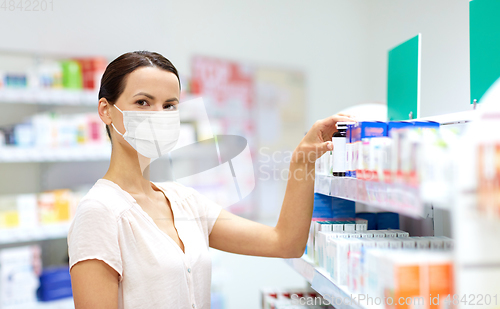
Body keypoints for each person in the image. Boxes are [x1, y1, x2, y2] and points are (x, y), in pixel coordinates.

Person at [68, 51, 354, 309]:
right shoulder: (99, 213)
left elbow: (285, 243)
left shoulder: (184, 202)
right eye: (143, 102)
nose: (159, 115)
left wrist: (302, 159)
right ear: (106, 110)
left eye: (169, 106)